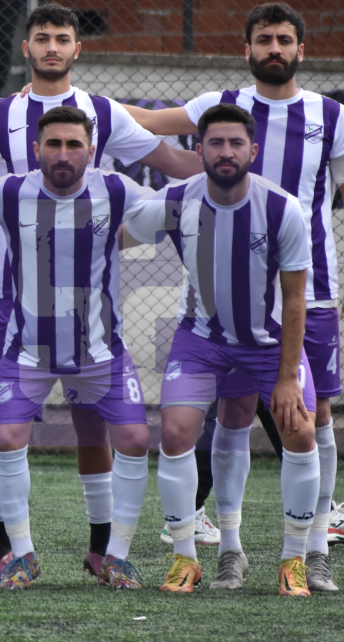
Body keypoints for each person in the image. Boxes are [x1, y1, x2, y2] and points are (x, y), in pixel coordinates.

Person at [0, 2, 201, 583]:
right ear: (26, 46)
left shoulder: (103, 113)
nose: (52, 46)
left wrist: (236, 166)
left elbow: (172, 163)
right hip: (14, 295)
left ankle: (102, 549)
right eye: (42, 37)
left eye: (62, 38)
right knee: (8, 425)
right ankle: (4, 549)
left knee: (93, 427)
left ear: (79, 48)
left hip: (88, 299)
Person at [123, 3, 344, 590]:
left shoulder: (330, 115)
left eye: (285, 39)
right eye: (264, 39)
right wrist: (79, 105)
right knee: (233, 416)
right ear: (248, 49)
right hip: (228, 300)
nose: (274, 49)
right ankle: (229, 549)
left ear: (301, 50)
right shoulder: (222, 105)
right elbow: (148, 121)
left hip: (308, 293)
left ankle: (317, 544)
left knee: (314, 416)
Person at [124, 103, 319, 596]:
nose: (225, 152)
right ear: (199, 150)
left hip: (268, 343)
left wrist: (287, 378)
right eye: (215, 143)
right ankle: (188, 559)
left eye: (235, 143)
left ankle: (293, 560)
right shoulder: (176, 199)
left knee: (299, 431)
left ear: (253, 151)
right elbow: (118, 237)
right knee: (175, 432)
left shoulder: (281, 208)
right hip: (202, 339)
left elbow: (295, 300)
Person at [0, 106, 153, 590]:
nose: (63, 154)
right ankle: (22, 555)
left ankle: (116, 556)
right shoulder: (10, 191)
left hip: (101, 352)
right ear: (36, 149)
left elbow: (171, 213)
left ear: (91, 150)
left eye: (73, 145)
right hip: (29, 350)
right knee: (6, 439)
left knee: (134, 441)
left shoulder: (116, 189)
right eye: (53, 144)